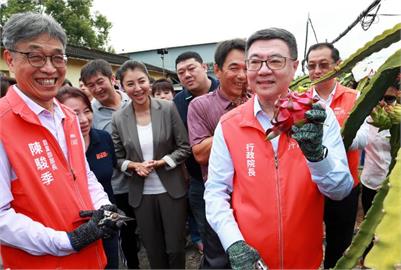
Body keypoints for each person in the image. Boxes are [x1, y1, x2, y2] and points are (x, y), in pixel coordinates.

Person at [204, 27, 354, 269]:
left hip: (305, 259)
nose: (264, 70)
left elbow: (341, 189)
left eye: (275, 60)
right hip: (253, 261)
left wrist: (317, 156)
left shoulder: (317, 116)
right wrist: (233, 243)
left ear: (294, 67)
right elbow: (215, 192)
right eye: (254, 62)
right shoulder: (230, 124)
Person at [0, 12, 120, 268]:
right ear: (9, 58)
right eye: (35, 56)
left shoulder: (67, 116)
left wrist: (105, 207)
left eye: (57, 57)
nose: (49, 68)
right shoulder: (2, 124)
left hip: (91, 258)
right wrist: (67, 241)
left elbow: (83, 175)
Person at [111, 60, 191, 268]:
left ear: (149, 81)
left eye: (141, 81)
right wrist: (134, 166)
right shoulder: (119, 118)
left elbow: (184, 147)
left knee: (175, 247)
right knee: (153, 250)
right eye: (130, 84)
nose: (137, 88)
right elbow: (117, 158)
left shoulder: (167, 108)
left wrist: (163, 162)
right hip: (141, 193)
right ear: (121, 87)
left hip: (171, 189)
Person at [187, 38, 249, 268]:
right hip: (219, 197)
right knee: (219, 260)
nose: (242, 75)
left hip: (256, 197)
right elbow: (201, 154)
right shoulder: (200, 105)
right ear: (217, 70)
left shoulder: (259, 101)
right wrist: (239, 119)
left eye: (247, 67)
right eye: (234, 68)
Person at [306, 42, 369, 269]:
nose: (316, 70)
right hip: (309, 187)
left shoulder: (356, 97)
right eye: (311, 65)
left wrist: (331, 136)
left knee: (339, 242)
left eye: (323, 65)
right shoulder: (300, 100)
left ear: (338, 66)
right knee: (307, 238)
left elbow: (364, 138)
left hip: (346, 184)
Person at [80, 59, 140, 268]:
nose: (97, 89)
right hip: (115, 188)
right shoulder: (89, 115)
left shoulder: (135, 100)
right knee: (126, 237)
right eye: (90, 85)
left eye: (100, 81)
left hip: (145, 180)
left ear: (112, 79)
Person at [56, 86, 119, 269]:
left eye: (87, 111)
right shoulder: (55, 149)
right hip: (73, 231)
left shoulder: (103, 138)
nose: (83, 120)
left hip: (106, 221)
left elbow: (111, 169)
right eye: (75, 114)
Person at [173, 51, 219, 267]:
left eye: (191, 68)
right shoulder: (178, 102)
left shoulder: (226, 90)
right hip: (198, 181)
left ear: (205, 67)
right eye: (181, 72)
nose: (187, 75)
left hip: (232, 178)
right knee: (207, 231)